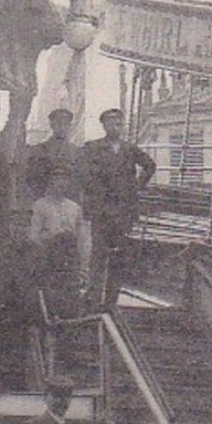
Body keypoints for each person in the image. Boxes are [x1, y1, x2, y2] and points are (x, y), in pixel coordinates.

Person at [81, 108, 156, 309]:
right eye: (112, 123)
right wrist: (94, 198)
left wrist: (136, 187)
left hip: (124, 212)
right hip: (102, 211)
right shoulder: (93, 148)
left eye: (119, 123)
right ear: (104, 125)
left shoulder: (129, 149)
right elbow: (85, 175)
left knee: (119, 256)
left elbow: (150, 166)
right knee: (98, 255)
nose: (116, 127)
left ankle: (111, 300)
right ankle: (93, 297)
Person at [28, 176, 84, 321]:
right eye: (57, 181)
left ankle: (69, 314)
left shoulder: (74, 207)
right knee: (51, 284)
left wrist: (79, 256)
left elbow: (79, 234)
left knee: (69, 285)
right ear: (50, 183)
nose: (61, 185)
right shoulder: (40, 205)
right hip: (50, 250)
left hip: (69, 251)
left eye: (64, 181)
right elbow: (34, 234)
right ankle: (52, 313)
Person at [25, 108, 84, 201]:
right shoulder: (39, 150)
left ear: (70, 126)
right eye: (58, 124)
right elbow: (33, 179)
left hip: (70, 199)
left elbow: (79, 179)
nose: (62, 127)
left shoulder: (78, 152)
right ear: (52, 125)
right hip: (46, 199)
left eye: (65, 124)